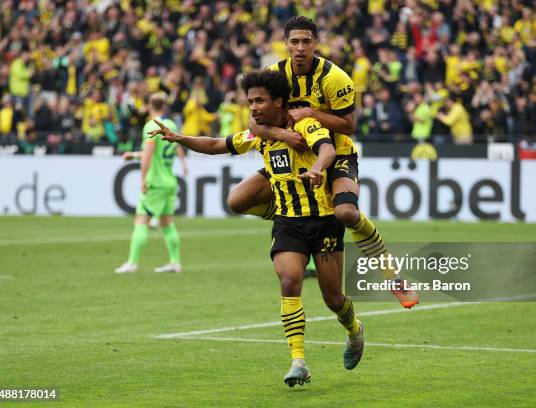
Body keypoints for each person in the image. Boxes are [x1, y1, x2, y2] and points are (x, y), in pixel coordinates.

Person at [149, 70, 364, 387]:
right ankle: (298, 361)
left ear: (279, 101)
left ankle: (354, 330)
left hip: (323, 218)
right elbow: (215, 144)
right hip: (289, 222)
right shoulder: (260, 134)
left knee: (334, 299)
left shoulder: (302, 123)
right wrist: (181, 139)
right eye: (250, 101)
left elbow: (328, 150)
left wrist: (318, 168)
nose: (252, 107)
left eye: (259, 100)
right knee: (289, 280)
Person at [226, 16, 418, 308]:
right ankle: (286, 212)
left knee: (346, 214)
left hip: (336, 153)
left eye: (306, 41)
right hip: (293, 156)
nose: (300, 48)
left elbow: (349, 125)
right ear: (286, 44)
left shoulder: (335, 78)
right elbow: (255, 124)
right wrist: (284, 135)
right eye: (294, 42)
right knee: (238, 200)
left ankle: (393, 276)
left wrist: (312, 113)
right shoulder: (273, 74)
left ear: (315, 43)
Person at [115, 92, 188, 274]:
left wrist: (142, 179)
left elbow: (148, 154)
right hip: (170, 181)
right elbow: (172, 147)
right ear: (164, 106)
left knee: (141, 220)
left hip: (155, 182)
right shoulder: (170, 124)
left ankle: (132, 263)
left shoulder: (150, 125)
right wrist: (184, 163)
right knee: (166, 222)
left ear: (148, 106)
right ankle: (175, 262)